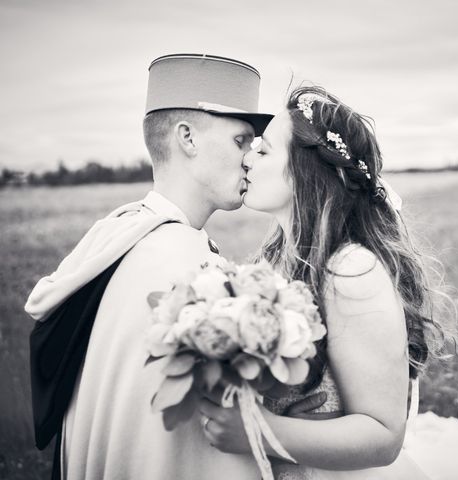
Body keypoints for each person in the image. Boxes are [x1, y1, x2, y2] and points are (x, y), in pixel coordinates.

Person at [198, 86, 458, 479]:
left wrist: (259, 431)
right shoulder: (278, 259)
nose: (248, 157)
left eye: (264, 150)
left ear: (304, 171)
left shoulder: (350, 272)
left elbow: (383, 436)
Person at [25, 54, 275, 480]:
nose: (252, 157)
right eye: (240, 140)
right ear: (187, 138)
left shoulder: (123, 232)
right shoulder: (180, 264)